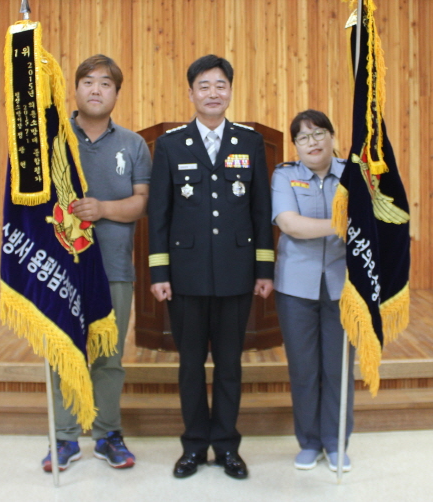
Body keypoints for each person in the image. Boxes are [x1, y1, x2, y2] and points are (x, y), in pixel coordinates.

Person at [147, 54, 275, 480]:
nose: (213, 93)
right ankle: (193, 446)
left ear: (231, 91)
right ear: (191, 94)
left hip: (237, 274)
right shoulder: (170, 144)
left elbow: (261, 211)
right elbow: (159, 214)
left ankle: (226, 446)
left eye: (221, 85)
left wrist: (264, 269)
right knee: (189, 367)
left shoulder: (249, 142)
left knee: (229, 366)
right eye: (204, 86)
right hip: (185, 276)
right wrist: (160, 273)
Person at [42, 54, 151, 473]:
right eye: (88, 81)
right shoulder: (53, 140)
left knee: (108, 357)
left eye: (105, 83)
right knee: (65, 354)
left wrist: (103, 209)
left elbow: (141, 202)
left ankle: (107, 434)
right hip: (62, 267)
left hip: (113, 269)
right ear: (75, 89)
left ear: (116, 94)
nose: (95, 89)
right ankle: (65, 438)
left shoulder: (133, 144)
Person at [271, 110, 353, 473]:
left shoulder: (353, 175)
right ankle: (309, 441)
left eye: (319, 133)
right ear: (295, 145)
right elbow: (291, 225)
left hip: (343, 285)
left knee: (338, 368)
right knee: (304, 368)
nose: (312, 142)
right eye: (303, 137)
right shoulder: (284, 175)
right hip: (296, 286)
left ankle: (335, 442)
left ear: (332, 137)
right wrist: (342, 224)